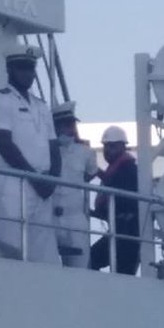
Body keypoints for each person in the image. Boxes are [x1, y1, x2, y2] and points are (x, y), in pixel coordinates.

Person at [0, 48, 60, 263]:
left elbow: (54, 146)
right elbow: (3, 142)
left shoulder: (41, 106)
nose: (28, 74)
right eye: (22, 68)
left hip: (43, 186)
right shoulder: (1, 101)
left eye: (31, 68)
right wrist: (34, 177)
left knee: (44, 253)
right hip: (14, 183)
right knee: (13, 249)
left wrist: (51, 179)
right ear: (10, 69)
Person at [52, 101, 98, 268]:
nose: (69, 129)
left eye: (71, 124)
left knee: (79, 270)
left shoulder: (85, 152)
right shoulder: (45, 149)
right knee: (45, 267)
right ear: (55, 126)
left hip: (75, 217)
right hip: (49, 217)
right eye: (64, 125)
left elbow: (91, 173)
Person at [89, 126, 140, 276]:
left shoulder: (128, 170)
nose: (107, 151)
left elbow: (122, 197)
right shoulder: (119, 169)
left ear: (123, 147)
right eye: (105, 146)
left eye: (112, 146)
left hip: (127, 234)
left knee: (95, 261)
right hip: (121, 232)